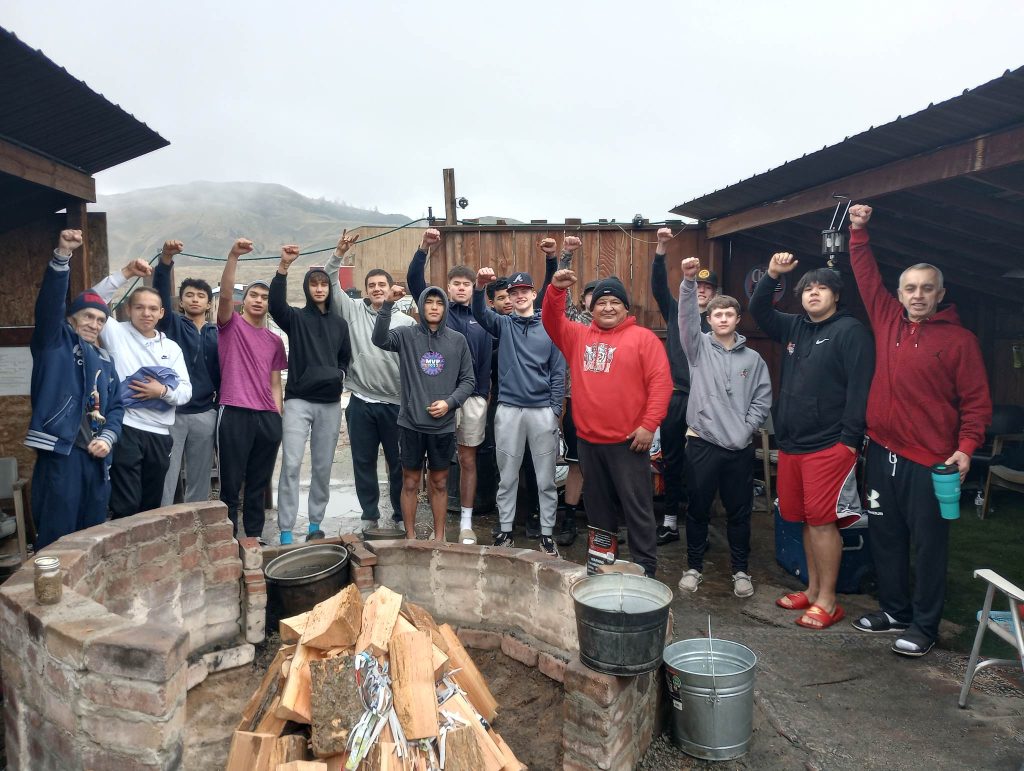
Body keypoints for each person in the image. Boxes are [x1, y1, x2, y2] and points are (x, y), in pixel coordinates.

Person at [846, 204, 991, 657]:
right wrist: (858, 232)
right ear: (900, 293)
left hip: (930, 461)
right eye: (910, 288)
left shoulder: (960, 341)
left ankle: (925, 626)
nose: (918, 295)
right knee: (885, 537)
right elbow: (866, 278)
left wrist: (966, 448)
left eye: (927, 288)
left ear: (940, 293)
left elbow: (977, 403)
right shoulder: (887, 319)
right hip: (881, 451)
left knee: (928, 546)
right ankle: (895, 611)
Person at [750, 252, 875, 629]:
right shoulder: (795, 326)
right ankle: (813, 588)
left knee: (823, 523)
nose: (813, 293)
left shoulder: (851, 332)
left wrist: (849, 441)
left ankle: (829, 601)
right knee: (804, 520)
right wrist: (772, 274)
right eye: (807, 289)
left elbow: (860, 389)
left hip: (830, 444)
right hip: (792, 443)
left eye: (821, 288)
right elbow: (758, 309)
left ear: (836, 295)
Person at [543, 270, 672, 578]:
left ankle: (645, 569)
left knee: (637, 509)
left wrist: (649, 425)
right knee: (598, 509)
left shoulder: (644, 339)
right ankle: (601, 565)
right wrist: (555, 291)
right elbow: (551, 320)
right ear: (592, 309)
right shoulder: (578, 336)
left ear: (626, 308)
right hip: (589, 443)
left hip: (629, 443)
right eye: (601, 303)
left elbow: (661, 384)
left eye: (615, 302)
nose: (608, 308)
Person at [677, 257, 771, 598]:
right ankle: (694, 567)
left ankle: (740, 570)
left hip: (739, 447)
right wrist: (688, 283)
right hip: (702, 442)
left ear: (737, 319)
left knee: (739, 512)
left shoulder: (753, 359)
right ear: (709, 319)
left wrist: (747, 429)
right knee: (698, 510)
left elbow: (762, 399)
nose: (723, 319)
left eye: (729, 314)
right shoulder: (698, 348)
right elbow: (686, 318)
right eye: (717, 314)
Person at [26, 229, 124, 549]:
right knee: (57, 535)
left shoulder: (106, 362)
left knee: (92, 535)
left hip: (96, 460)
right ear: (71, 319)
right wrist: (62, 256)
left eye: (100, 320)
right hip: (61, 454)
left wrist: (108, 438)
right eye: (87, 316)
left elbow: (117, 407)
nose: (94, 324)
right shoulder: (53, 344)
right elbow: (49, 306)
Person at [324, 231, 416, 531]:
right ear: (366, 290)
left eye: (382, 285)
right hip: (361, 402)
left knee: (398, 463)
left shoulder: (406, 322)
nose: (377, 289)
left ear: (390, 289)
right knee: (362, 462)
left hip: (396, 405)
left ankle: (401, 515)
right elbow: (331, 283)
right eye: (372, 285)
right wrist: (338, 253)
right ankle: (369, 515)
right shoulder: (352, 311)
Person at [473, 267, 566, 555]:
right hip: (509, 409)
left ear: (534, 294)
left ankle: (547, 535)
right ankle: (505, 531)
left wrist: (554, 410)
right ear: (509, 298)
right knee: (508, 476)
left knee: (545, 478)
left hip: (542, 411)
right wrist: (479, 287)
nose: (519, 296)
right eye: (514, 293)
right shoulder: (503, 324)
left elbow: (558, 372)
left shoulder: (550, 327)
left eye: (524, 291)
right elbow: (479, 313)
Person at [372, 283, 475, 541]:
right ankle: (410, 538)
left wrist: (449, 403)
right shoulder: (406, 335)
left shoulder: (458, 340)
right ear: (420, 306)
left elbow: (468, 381)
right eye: (429, 302)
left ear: (446, 307)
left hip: (443, 426)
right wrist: (387, 304)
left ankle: (439, 539)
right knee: (409, 482)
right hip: (411, 423)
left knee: (439, 483)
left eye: (439, 303)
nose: (434, 307)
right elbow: (379, 339)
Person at [91, 263, 193, 520]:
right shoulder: (116, 333)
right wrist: (126, 273)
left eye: (152, 309)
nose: (146, 313)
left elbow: (185, 391)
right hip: (126, 428)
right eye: (139, 307)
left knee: (151, 506)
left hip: (160, 434)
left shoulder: (172, 348)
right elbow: (93, 299)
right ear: (128, 310)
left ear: (161, 313)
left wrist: (162, 391)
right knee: (125, 504)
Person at [409, 229, 491, 532]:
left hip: (473, 397)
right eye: (456, 283)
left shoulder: (484, 317)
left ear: (473, 287)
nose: (461, 288)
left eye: (466, 284)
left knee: (468, 460)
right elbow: (415, 281)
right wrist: (423, 249)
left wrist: (484, 394)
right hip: (440, 397)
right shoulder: (440, 313)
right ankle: (437, 524)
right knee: (436, 463)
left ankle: (466, 523)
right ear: (448, 287)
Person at [270, 246, 352, 543]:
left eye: (323, 284)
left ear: (329, 289)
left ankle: (315, 524)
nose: (319, 289)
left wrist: (339, 375)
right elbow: (275, 305)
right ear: (307, 289)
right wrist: (283, 268)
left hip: (329, 404)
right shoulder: (295, 318)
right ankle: (286, 529)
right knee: (291, 464)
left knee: (322, 466)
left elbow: (344, 358)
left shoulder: (339, 324)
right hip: (298, 401)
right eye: (314, 284)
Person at [216, 238, 287, 541]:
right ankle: (229, 540)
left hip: (266, 417)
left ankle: (254, 537)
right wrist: (233, 256)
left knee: (259, 482)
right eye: (253, 295)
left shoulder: (274, 341)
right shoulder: (230, 325)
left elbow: (275, 381)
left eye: (264, 297)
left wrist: (277, 415)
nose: (258, 300)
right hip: (235, 411)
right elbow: (224, 295)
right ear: (243, 301)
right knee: (231, 484)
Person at [153, 240, 220, 506]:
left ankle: (195, 520)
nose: (194, 299)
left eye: (201, 296)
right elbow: (159, 292)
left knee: (199, 475)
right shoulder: (172, 325)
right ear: (180, 302)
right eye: (189, 295)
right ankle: (163, 519)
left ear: (209, 303)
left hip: (204, 412)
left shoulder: (217, 334)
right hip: (173, 412)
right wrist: (165, 262)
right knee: (167, 474)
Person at [650, 227, 705, 546]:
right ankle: (670, 521)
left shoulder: (718, 321)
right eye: (699, 287)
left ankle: (699, 525)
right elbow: (658, 286)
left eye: (707, 289)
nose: (702, 292)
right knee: (671, 460)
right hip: (676, 397)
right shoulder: (675, 312)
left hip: (706, 402)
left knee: (701, 464)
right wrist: (661, 249)